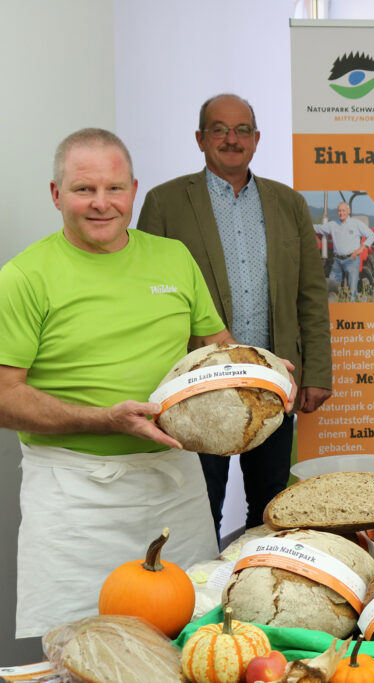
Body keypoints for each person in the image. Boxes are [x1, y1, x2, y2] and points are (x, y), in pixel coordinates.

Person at [0, 128, 241, 637]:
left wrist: (257, 371)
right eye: (84, 189)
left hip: (174, 484)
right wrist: (104, 419)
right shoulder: (25, 277)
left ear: (134, 189)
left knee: (190, 637)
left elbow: (218, 350)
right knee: (77, 647)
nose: (101, 204)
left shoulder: (173, 258)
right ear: (55, 194)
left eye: (114, 189)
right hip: (75, 497)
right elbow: (4, 397)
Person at [137, 93, 331, 538]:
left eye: (242, 129)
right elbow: (145, 296)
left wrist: (316, 371)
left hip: (273, 382)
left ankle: (258, 582)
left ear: (257, 139)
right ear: (201, 139)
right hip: (198, 392)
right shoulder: (165, 203)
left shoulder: (288, 204)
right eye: (219, 129)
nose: (231, 139)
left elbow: (311, 295)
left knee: (271, 506)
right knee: (201, 507)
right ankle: (203, 593)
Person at [315, 201, 374, 301]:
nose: (341, 213)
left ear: (348, 211)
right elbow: (319, 228)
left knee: (352, 292)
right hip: (337, 261)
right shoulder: (333, 225)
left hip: (351, 260)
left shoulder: (356, 224)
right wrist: (304, 224)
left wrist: (360, 250)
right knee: (332, 287)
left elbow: (372, 235)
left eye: (343, 210)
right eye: (339, 211)